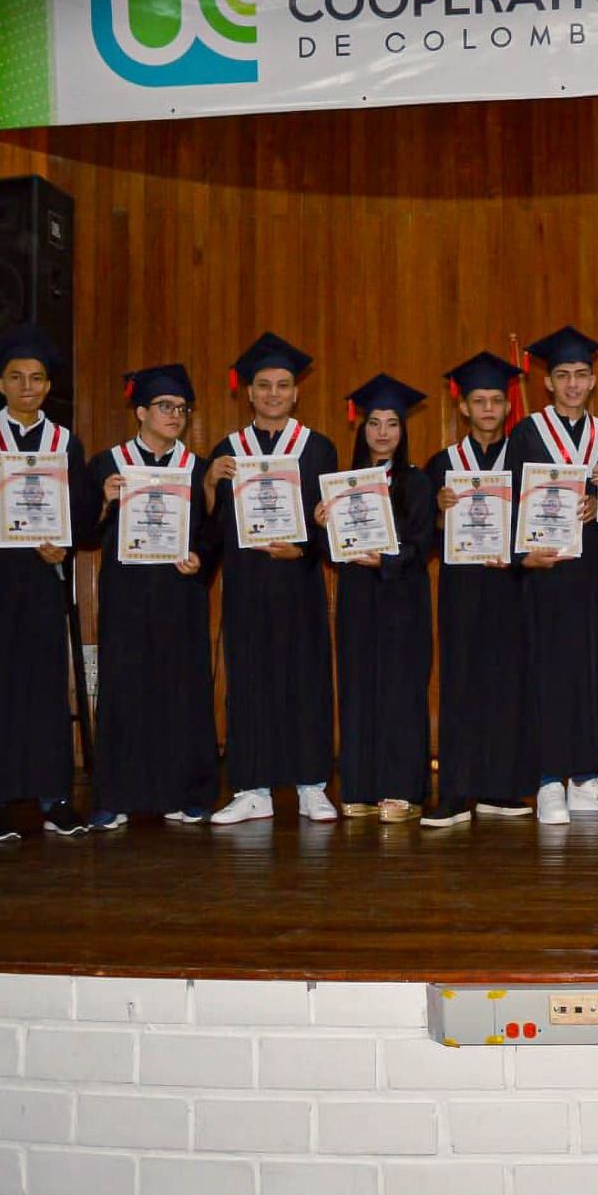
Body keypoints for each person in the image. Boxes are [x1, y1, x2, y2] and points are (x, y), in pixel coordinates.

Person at [0, 324, 93, 844]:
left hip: (41, 580)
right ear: (0, 384)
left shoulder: (64, 443)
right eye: (17, 377)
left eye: (38, 378)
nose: (29, 386)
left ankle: (53, 798)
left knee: (45, 688)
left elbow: (80, 515)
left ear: (49, 386)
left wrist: (65, 546)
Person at [203, 332, 342, 825]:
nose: (274, 394)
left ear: (296, 392)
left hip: (296, 581)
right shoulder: (227, 450)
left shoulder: (318, 448)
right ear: (249, 392)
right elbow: (211, 528)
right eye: (264, 385)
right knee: (250, 681)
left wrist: (306, 543)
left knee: (305, 680)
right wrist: (209, 484)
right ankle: (251, 787)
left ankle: (311, 785)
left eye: (283, 385)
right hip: (245, 585)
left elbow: (330, 524)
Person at [504, 325, 598, 825]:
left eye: (582, 375)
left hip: (592, 571)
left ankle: (586, 778)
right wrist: (523, 558)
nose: (574, 384)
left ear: (594, 381)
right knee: (549, 672)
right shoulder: (527, 434)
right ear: (548, 383)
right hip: (545, 572)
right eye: (563, 376)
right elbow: (508, 506)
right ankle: (547, 781)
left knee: (592, 668)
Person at [86, 364, 217, 830]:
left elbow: (212, 533)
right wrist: (102, 499)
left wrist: (201, 558)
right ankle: (114, 796)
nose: (175, 415)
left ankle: (188, 793)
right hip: (127, 594)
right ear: (140, 411)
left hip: (179, 594)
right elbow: (83, 528)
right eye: (165, 407)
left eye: (182, 408)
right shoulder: (108, 464)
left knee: (182, 690)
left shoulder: (196, 468)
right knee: (125, 689)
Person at [318, 375, 435, 823]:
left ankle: (401, 789)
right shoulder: (340, 486)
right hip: (357, 599)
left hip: (401, 598)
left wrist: (385, 559)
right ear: (361, 428)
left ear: (403, 431)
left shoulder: (417, 483)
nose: (382, 432)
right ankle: (361, 786)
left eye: (391, 424)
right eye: (373, 423)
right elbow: (328, 552)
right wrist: (322, 522)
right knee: (359, 686)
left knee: (401, 690)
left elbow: (423, 543)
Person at [421, 352, 530, 827]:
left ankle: (500, 788)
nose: (488, 409)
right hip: (463, 585)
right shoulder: (443, 464)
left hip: (511, 584)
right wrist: (439, 511)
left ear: (507, 408)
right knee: (462, 682)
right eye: (478, 401)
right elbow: (422, 534)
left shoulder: (525, 458)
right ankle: (455, 790)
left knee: (507, 682)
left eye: (495, 401)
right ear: (462, 408)